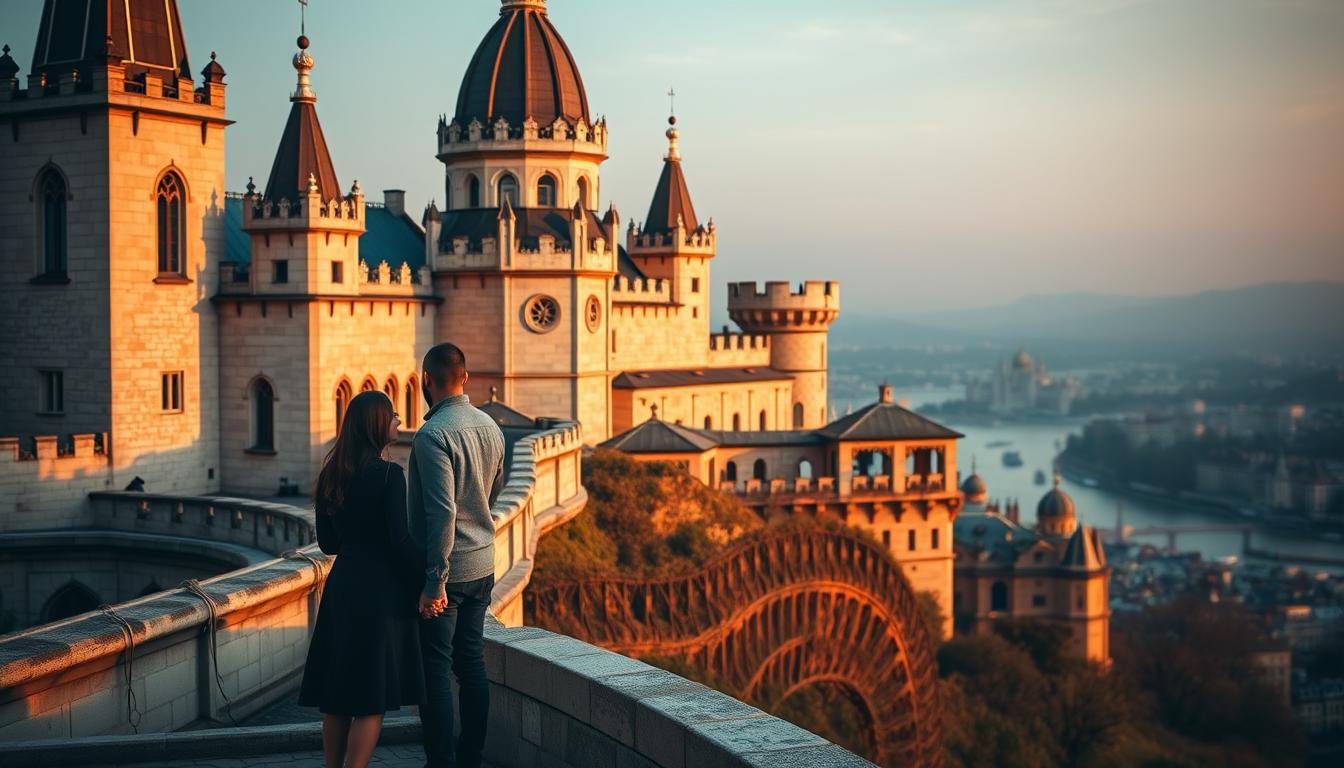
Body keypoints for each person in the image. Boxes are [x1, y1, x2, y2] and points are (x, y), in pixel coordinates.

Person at [299, 391, 425, 768]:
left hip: (343, 588)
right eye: (392, 416)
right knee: (371, 697)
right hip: (379, 593)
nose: (399, 421)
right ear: (375, 424)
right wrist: (432, 575)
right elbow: (400, 542)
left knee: (338, 696)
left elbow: (328, 544)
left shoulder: (330, 474)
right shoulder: (389, 475)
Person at [410, 343, 506, 768]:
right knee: (471, 663)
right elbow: (494, 492)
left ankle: (441, 761)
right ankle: (471, 757)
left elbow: (442, 511)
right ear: (465, 377)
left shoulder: (432, 435)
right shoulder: (491, 426)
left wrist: (435, 582)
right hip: (484, 565)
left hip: (447, 574)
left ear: (425, 381)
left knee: (435, 668)